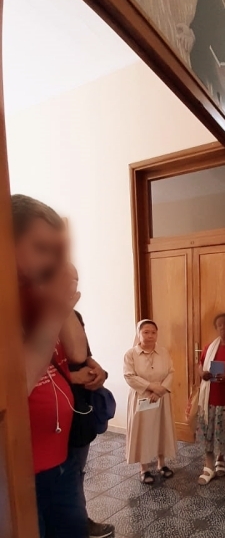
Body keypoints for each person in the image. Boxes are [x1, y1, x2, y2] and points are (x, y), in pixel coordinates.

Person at [13, 194, 90, 536]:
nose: (50, 260)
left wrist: (62, 297)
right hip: (19, 473)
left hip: (62, 462)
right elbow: (17, 386)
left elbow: (77, 352)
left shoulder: (39, 299)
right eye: (41, 248)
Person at [66, 310, 115, 538]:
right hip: (51, 411)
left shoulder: (72, 315)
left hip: (79, 409)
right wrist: (72, 377)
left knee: (77, 471)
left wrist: (100, 372)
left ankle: (81, 520)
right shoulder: (31, 318)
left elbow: (85, 356)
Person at [124, 320, 178, 484]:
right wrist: (151, 388)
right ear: (138, 334)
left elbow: (171, 372)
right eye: (145, 332)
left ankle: (162, 464)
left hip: (161, 397)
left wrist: (160, 390)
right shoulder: (131, 354)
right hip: (142, 397)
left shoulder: (163, 352)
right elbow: (129, 376)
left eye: (153, 332)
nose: (150, 336)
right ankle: (144, 468)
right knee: (144, 432)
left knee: (162, 429)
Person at [195, 313, 225, 485]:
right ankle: (208, 467)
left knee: (222, 432)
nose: (223, 328)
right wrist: (202, 373)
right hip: (209, 398)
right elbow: (200, 365)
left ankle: (220, 459)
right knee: (208, 432)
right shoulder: (210, 347)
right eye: (219, 325)